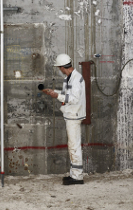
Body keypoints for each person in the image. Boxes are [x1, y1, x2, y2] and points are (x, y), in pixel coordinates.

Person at [42, 53, 86, 185]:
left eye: (59, 68)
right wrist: (55, 92)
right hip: (71, 114)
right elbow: (68, 95)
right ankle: (74, 174)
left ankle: (77, 177)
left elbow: (73, 99)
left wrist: (57, 96)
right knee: (73, 146)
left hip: (74, 115)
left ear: (62, 67)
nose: (59, 70)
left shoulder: (75, 78)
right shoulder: (70, 78)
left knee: (74, 146)